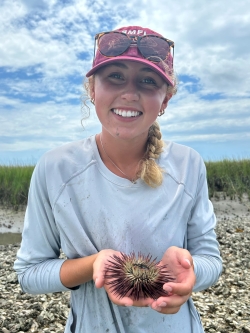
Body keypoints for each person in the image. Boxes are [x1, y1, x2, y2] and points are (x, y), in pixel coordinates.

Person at [14, 25, 222, 333]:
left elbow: (211, 261)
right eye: (115, 76)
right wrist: (94, 264)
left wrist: (190, 270)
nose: (129, 92)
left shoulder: (188, 165)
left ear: (165, 100)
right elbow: (29, 273)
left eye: (148, 81)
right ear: (92, 89)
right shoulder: (55, 169)